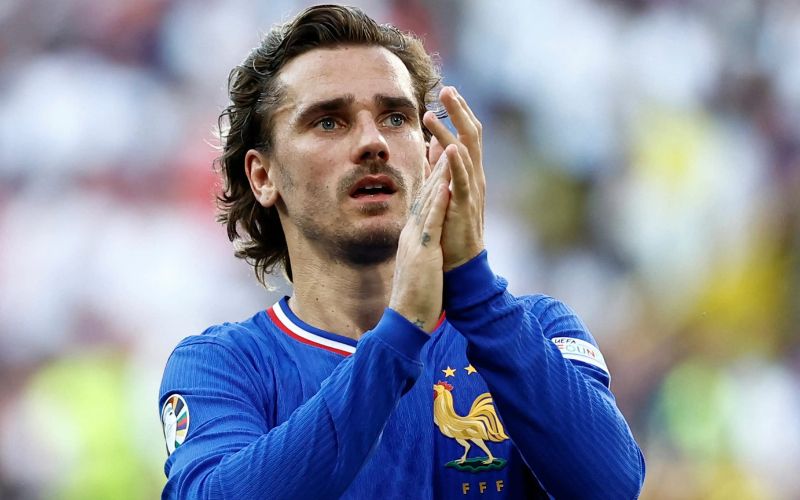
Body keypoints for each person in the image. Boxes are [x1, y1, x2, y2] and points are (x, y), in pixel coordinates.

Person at [158, 4, 645, 499]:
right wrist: (399, 334)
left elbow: (612, 487)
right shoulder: (222, 365)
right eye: (329, 122)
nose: (373, 143)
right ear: (263, 176)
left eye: (395, 117)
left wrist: (476, 290)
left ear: (430, 155)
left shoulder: (535, 329)